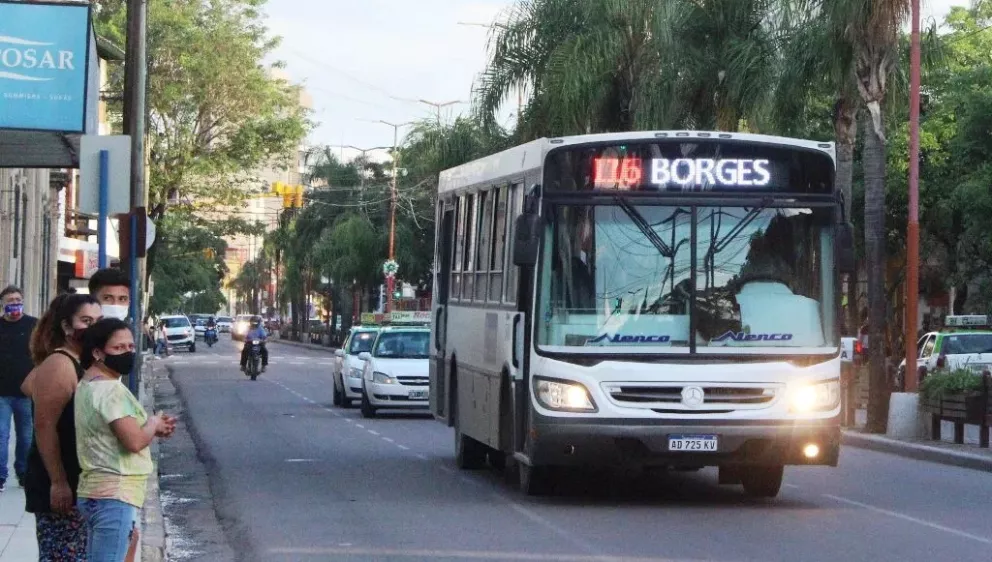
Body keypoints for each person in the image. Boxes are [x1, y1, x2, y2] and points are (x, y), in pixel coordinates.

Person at [75, 318, 175, 561]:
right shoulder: (110, 390)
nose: (127, 353)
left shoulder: (88, 384)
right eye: (118, 348)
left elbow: (111, 432)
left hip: (97, 492)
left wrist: (151, 428)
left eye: (131, 347)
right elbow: (133, 442)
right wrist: (152, 423)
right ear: (98, 352)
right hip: (115, 495)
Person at [21, 293, 102, 560]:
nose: (93, 327)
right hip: (59, 484)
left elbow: (28, 385)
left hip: (80, 482)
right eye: (86, 320)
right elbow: (45, 428)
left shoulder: (78, 361)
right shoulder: (60, 364)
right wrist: (58, 482)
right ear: (67, 327)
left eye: (98, 321)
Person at [0, 286, 36, 491]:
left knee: (26, 437)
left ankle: (24, 473)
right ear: (3, 304)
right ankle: (0, 476)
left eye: (17, 299)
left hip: (26, 393)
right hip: (1, 393)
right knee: (1, 435)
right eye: (10, 300)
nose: (14, 303)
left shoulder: (34, 325)